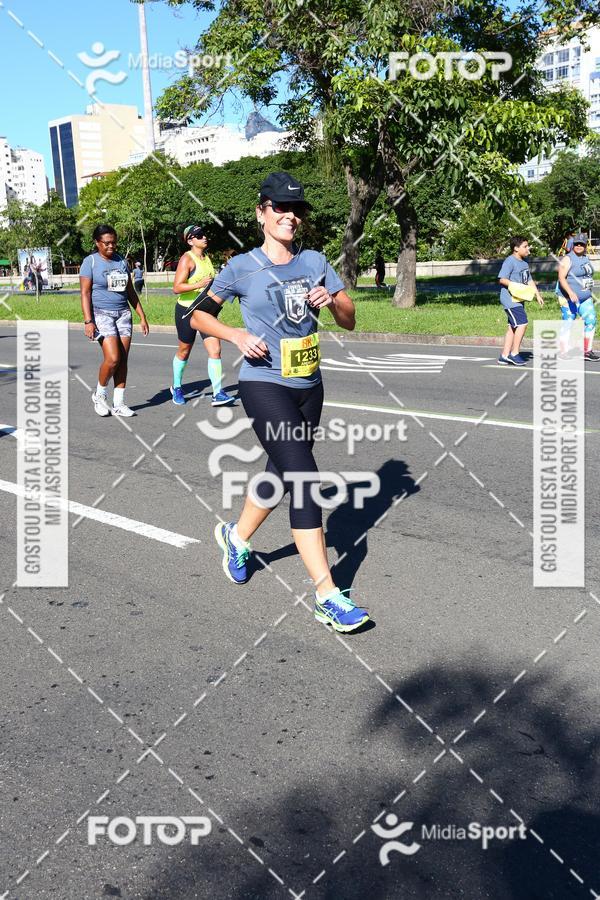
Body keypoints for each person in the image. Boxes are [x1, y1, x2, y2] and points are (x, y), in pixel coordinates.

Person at [191, 171, 370, 633]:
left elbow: (349, 320)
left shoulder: (314, 261)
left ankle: (237, 536)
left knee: (280, 471)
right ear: (262, 212)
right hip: (262, 383)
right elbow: (199, 318)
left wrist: (330, 300)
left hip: (309, 384)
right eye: (280, 208)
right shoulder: (240, 267)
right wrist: (235, 334)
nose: (291, 216)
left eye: (297, 210)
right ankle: (327, 595)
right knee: (305, 478)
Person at [80, 224, 149, 417]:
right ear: (97, 243)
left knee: (123, 360)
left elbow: (129, 291)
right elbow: (85, 293)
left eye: (114, 243)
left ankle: (118, 403)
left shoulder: (121, 261)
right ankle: (99, 395)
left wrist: (142, 316)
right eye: (107, 243)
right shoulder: (90, 262)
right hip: (102, 314)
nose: (111, 247)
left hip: (123, 314)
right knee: (113, 358)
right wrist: (88, 321)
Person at [171, 225, 235, 406]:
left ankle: (217, 393)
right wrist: (198, 284)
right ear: (190, 240)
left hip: (206, 311)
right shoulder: (187, 259)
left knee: (215, 350)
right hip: (186, 311)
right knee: (184, 351)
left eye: (204, 234)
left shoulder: (206, 258)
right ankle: (176, 387)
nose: (204, 237)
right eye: (199, 236)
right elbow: (177, 288)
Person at [497, 236, 544, 366]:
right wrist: (515, 286)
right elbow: (502, 279)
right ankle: (514, 353)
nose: (527, 248)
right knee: (522, 323)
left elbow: (529, 280)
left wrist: (537, 295)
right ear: (516, 248)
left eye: (527, 246)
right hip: (510, 300)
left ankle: (504, 356)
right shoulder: (509, 261)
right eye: (525, 246)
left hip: (519, 299)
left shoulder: (524, 263)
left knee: (512, 327)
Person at [557, 233, 598, 361]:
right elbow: (561, 278)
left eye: (582, 244)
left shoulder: (585, 258)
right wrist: (570, 292)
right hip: (568, 297)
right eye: (577, 244)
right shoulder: (568, 259)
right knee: (569, 322)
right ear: (573, 245)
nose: (579, 246)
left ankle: (587, 351)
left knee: (591, 320)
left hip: (585, 297)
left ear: (585, 245)